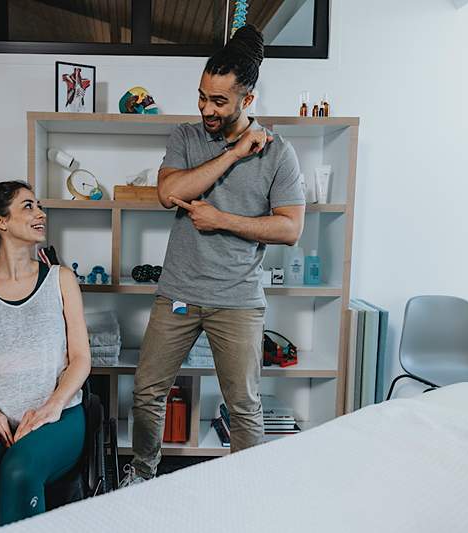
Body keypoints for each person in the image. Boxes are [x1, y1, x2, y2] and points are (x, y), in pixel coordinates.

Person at [121, 25, 306, 486]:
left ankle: (246, 490)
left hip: (238, 300)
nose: (206, 108)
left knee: (243, 405)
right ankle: (141, 475)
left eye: (219, 101)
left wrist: (222, 220)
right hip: (178, 294)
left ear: (248, 101)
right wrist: (233, 152)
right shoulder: (186, 136)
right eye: (203, 96)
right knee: (147, 392)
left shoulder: (281, 155)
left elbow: (290, 228)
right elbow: (169, 192)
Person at [0, 181, 91, 530]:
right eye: (28, 206)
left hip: (58, 415)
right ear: (1, 221)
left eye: (39, 205)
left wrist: (52, 406)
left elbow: (81, 358)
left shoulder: (61, 279)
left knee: (19, 470)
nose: (40, 213)